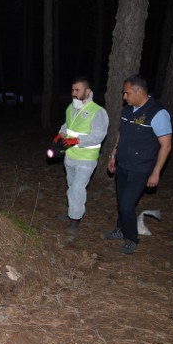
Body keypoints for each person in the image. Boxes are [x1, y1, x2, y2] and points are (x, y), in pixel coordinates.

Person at [106, 75, 172, 254]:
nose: (124, 97)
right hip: (124, 164)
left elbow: (166, 145)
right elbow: (121, 135)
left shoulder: (158, 113)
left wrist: (156, 172)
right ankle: (120, 229)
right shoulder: (128, 110)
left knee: (127, 205)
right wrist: (113, 155)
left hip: (142, 168)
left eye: (126, 93)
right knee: (121, 201)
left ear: (139, 92)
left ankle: (132, 238)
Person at [52, 77, 109, 237]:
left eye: (77, 90)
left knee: (77, 188)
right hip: (70, 156)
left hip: (86, 158)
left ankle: (75, 220)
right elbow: (67, 125)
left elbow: (98, 136)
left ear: (88, 92)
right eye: (72, 90)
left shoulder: (98, 112)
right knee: (71, 186)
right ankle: (73, 212)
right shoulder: (71, 107)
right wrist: (60, 134)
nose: (74, 93)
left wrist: (77, 140)